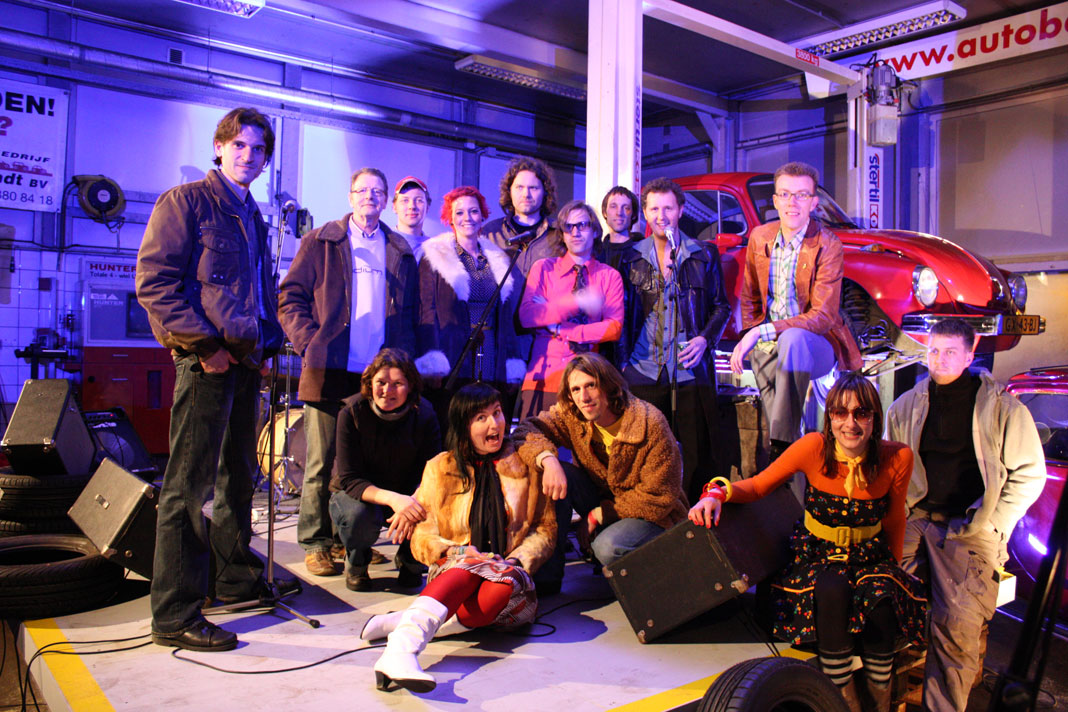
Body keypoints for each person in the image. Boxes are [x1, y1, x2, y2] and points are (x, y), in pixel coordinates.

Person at [136, 107, 291, 652]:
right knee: (188, 488)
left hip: (244, 364)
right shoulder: (186, 202)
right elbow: (155, 285)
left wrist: (265, 346)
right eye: (240, 145)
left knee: (237, 480)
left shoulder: (253, 217)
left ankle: (232, 579)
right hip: (205, 363)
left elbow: (258, 293)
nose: (249, 156)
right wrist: (205, 347)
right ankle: (174, 614)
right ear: (220, 147)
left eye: (259, 149)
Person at [690, 372, 926, 712]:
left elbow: (894, 519)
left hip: (869, 556)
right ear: (829, 417)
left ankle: (879, 701)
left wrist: (895, 570)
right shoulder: (814, 446)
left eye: (861, 413)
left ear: (875, 417)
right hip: (819, 553)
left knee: (883, 606)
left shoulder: (897, 457)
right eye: (840, 413)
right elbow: (758, 485)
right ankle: (840, 701)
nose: (850, 423)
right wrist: (716, 493)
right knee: (832, 590)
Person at [886, 318, 1044, 712]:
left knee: (956, 624)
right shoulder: (906, 406)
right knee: (876, 592)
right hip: (918, 517)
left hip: (969, 527)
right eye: (933, 350)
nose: (938, 359)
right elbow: (892, 466)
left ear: (969, 356)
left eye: (949, 352)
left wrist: (994, 523)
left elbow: (1030, 474)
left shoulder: (1002, 409)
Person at [364, 383, 555, 693]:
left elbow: (544, 529)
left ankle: (408, 623)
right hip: (453, 571)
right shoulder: (440, 468)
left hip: (510, 577)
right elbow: (423, 534)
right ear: (463, 425)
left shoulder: (526, 464)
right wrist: (459, 552)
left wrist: (517, 560)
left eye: (497, 413)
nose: (494, 424)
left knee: (501, 584)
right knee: (466, 566)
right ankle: (401, 651)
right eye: (481, 418)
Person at [279, 167, 419, 578]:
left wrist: (401, 361)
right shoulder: (321, 241)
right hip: (330, 368)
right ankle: (316, 542)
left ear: (385, 200)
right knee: (320, 463)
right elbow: (290, 297)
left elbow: (409, 313)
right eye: (362, 190)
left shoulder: (399, 249)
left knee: (360, 465)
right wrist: (310, 343)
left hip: (376, 378)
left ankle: (350, 540)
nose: (369, 197)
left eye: (377, 191)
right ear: (350, 196)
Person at [729, 161, 861, 461]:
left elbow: (823, 317)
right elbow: (750, 297)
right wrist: (754, 336)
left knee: (792, 339)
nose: (793, 202)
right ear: (775, 200)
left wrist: (760, 332)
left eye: (802, 195)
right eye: (785, 194)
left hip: (816, 346)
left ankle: (782, 447)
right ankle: (790, 467)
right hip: (769, 347)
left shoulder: (828, 244)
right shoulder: (760, 237)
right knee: (782, 420)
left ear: (814, 203)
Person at [513, 353, 687, 570]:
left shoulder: (649, 422)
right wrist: (548, 459)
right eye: (576, 389)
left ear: (609, 386)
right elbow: (526, 431)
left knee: (607, 547)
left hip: (653, 515)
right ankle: (550, 577)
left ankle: (653, 563)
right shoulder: (574, 415)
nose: (584, 397)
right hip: (604, 500)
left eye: (591, 385)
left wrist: (599, 514)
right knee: (557, 472)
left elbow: (659, 497)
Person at [617, 177, 730, 504]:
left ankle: (694, 515)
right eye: (654, 209)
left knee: (696, 453)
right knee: (643, 450)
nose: (661, 215)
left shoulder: (703, 254)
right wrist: (622, 363)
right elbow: (621, 312)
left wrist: (705, 340)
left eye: (668, 208)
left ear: (680, 210)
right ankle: (647, 512)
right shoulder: (630, 257)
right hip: (643, 367)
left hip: (688, 368)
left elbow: (721, 307)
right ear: (645, 213)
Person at [328, 348, 441, 591]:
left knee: (435, 507)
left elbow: (433, 472)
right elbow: (350, 479)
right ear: (370, 383)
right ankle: (357, 561)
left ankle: (411, 561)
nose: (387, 391)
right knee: (358, 516)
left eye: (397, 384)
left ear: (410, 386)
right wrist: (394, 500)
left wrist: (411, 503)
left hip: (409, 493)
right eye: (381, 382)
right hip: (361, 496)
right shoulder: (351, 412)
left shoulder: (425, 414)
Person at [415, 186, 526, 426]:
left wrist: (511, 359)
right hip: (454, 352)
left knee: (487, 421)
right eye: (460, 212)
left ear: (482, 215)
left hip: (491, 353)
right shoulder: (434, 256)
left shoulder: (498, 258)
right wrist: (432, 358)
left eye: (474, 211)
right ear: (450, 218)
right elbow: (426, 311)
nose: (467, 218)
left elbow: (505, 317)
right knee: (455, 422)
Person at [516, 199, 624, 420]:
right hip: (543, 378)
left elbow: (613, 328)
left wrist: (560, 328)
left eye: (582, 225)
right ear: (562, 234)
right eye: (568, 226)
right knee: (534, 440)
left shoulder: (609, 276)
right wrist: (576, 302)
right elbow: (527, 316)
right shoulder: (543, 269)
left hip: (588, 383)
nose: (575, 232)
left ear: (595, 231)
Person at [481, 156, 560, 277]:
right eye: (519, 187)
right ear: (509, 191)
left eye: (533, 188)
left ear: (545, 192)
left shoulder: (559, 235)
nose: (526, 194)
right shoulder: (490, 233)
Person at [596, 185, 643, 272]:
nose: (619, 213)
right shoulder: (596, 254)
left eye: (626, 208)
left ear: (633, 215)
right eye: (613, 206)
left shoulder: (645, 253)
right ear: (605, 212)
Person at [391, 176, 431, 253]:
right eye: (405, 200)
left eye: (419, 200)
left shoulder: (435, 250)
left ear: (427, 207)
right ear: (394, 207)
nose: (412, 206)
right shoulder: (382, 241)